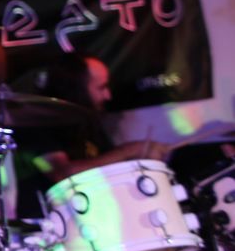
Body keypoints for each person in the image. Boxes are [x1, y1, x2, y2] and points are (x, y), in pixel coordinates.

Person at [14, 52, 170, 218]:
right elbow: (62, 174)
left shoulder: (88, 121)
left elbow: (106, 163)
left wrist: (141, 158)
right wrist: (127, 152)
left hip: (94, 216)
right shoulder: (36, 123)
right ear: (77, 89)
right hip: (54, 223)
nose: (108, 95)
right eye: (101, 87)